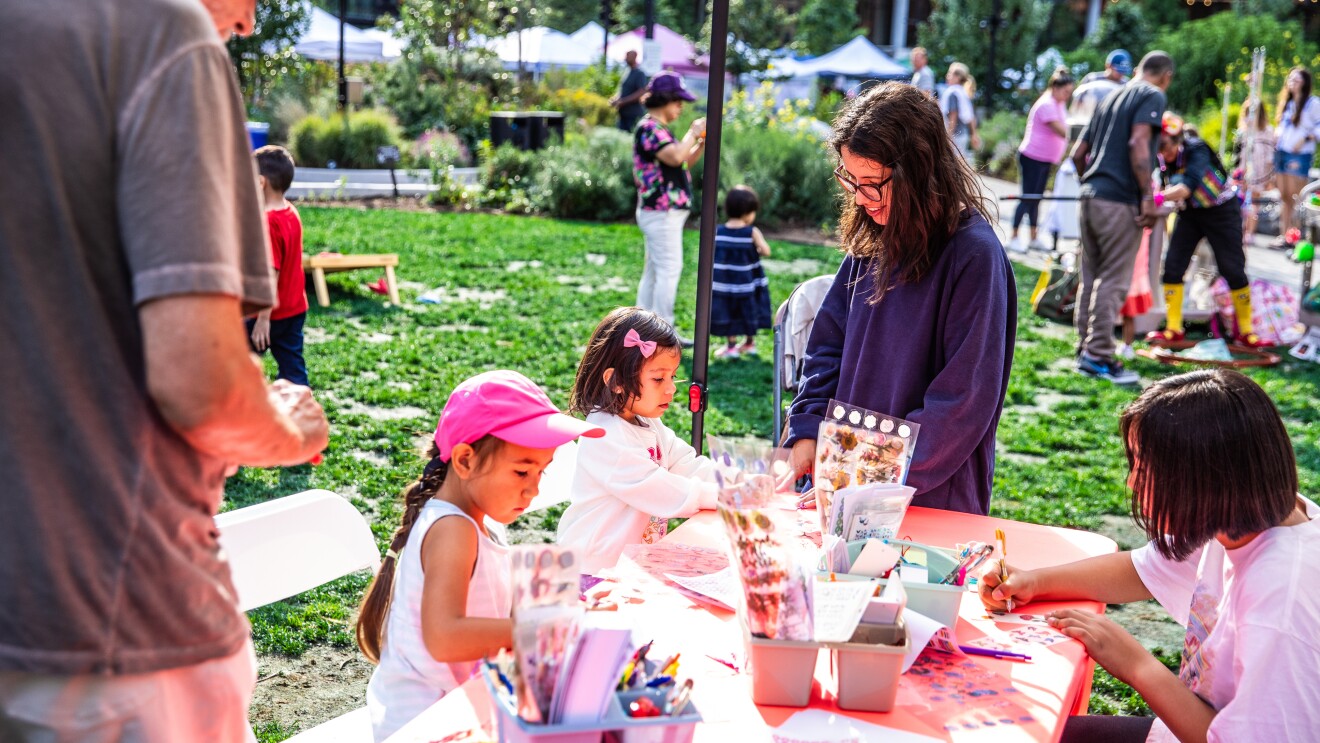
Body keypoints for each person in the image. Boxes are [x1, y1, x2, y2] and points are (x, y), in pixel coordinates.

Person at [0, 1, 330, 741]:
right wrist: (289, 429)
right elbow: (201, 384)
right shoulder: (160, 31)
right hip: (113, 627)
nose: (246, 23)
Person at [980, 369, 1320, 743]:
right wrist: (1036, 581)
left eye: (1143, 467)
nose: (1131, 482)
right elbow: (1141, 570)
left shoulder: (1281, 604)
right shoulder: (1244, 517)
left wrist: (1137, 665)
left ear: (1203, 478)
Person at [782, 82, 1017, 516]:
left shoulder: (974, 255)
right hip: (846, 481)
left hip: (926, 495)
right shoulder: (875, 236)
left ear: (919, 172)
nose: (859, 196)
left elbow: (962, 401)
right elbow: (827, 345)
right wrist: (808, 428)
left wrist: (869, 470)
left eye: (872, 183)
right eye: (851, 180)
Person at [358, 370, 604, 741]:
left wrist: (552, 603)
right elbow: (444, 637)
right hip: (424, 724)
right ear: (465, 461)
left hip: (463, 705)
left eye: (542, 471)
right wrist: (541, 632)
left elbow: (489, 600)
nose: (534, 490)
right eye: (522, 471)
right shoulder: (452, 530)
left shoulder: (479, 521)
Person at [557, 307, 720, 574]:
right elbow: (665, 491)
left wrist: (733, 481)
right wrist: (727, 497)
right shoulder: (605, 436)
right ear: (616, 381)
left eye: (673, 376)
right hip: (592, 570)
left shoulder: (646, 421)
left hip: (629, 565)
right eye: (658, 378)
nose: (671, 388)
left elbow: (686, 463)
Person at [1069, 50, 1174, 385]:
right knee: (1113, 280)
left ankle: (1084, 347)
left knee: (1091, 276)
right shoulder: (1151, 95)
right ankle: (1098, 355)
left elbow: (1078, 154)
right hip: (1119, 200)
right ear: (1166, 76)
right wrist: (1146, 195)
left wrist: (1093, 181)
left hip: (1090, 197)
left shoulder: (1111, 96)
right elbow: (1139, 143)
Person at [1145, 114, 1269, 348]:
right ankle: (1173, 329)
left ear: (1177, 139)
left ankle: (1245, 332)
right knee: (1172, 266)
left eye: (1165, 146)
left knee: (1232, 268)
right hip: (1191, 214)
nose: (1163, 152)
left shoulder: (1197, 149)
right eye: (1158, 148)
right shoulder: (1163, 160)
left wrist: (1155, 198)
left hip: (1221, 212)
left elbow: (1186, 186)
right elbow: (1168, 185)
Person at [633, 71, 706, 346]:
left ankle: (642, 326)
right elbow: (675, 156)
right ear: (666, 100)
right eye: (678, 102)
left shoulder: (657, 130)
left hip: (661, 213)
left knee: (654, 270)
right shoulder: (650, 128)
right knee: (668, 269)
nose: (681, 107)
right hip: (660, 213)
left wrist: (698, 143)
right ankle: (663, 331)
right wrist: (692, 131)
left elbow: (682, 161)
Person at [249, 145, 310, 385]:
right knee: (293, 369)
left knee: (238, 364)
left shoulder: (268, 223)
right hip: (295, 310)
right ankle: (301, 409)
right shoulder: (290, 212)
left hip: (267, 315)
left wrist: (263, 320)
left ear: (261, 182)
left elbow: (270, 273)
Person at [1009, 66, 1075, 253]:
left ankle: (1033, 237)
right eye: (1066, 92)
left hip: (1045, 159)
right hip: (1033, 157)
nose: (1067, 96)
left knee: (1036, 199)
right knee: (1027, 197)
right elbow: (1062, 131)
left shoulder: (1059, 104)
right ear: (1055, 87)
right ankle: (1013, 236)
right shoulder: (1046, 104)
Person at [711, 185, 773, 359]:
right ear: (747, 212)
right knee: (748, 310)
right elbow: (766, 250)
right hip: (746, 284)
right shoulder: (751, 232)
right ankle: (749, 343)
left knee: (728, 311)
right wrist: (757, 249)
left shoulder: (718, 231)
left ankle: (731, 347)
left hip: (724, 283)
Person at [1272, 66, 1320, 248]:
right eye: (1290, 79)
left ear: (1304, 83)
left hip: (1299, 154)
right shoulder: (1288, 103)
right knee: (1283, 196)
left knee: (1295, 196)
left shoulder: (1313, 104)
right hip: (1282, 152)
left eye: (1296, 80)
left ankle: (1295, 236)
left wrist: (1306, 138)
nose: (1292, 83)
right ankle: (1285, 234)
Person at [1236, 98, 1276, 246]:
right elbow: (1238, 152)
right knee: (1241, 199)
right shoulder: (1244, 131)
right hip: (1244, 168)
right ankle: (1240, 229)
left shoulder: (1267, 130)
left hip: (1259, 170)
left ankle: (1250, 232)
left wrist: (1269, 175)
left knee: (1254, 201)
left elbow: (1270, 154)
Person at [940, 62, 981, 160]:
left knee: (951, 164)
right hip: (963, 135)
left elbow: (953, 116)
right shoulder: (963, 93)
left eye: (950, 73)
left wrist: (948, 137)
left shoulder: (952, 93)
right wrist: (973, 134)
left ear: (957, 77)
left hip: (955, 136)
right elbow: (971, 117)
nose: (947, 76)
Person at [611, 50, 649, 133]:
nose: (626, 58)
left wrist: (623, 101)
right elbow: (623, 90)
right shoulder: (627, 71)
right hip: (623, 114)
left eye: (628, 55)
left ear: (635, 56)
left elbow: (641, 91)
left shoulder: (639, 73)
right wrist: (615, 99)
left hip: (633, 115)